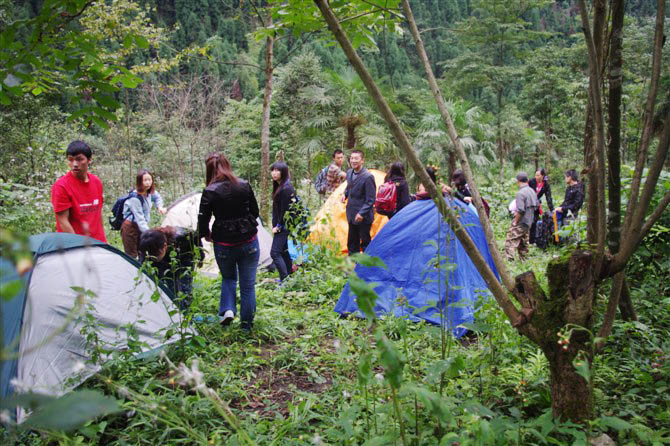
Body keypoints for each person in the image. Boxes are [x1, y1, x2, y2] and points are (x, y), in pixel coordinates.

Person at [198, 153, 260, 330]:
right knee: (248, 286)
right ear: (227, 165)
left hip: (223, 243)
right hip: (248, 241)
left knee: (228, 278)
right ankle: (246, 327)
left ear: (209, 170)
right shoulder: (243, 185)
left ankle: (228, 310)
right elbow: (254, 212)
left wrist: (206, 233)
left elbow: (203, 219)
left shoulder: (210, 191)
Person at [51, 140, 106, 242]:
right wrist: (79, 247)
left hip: (97, 244)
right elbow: (63, 222)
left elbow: (98, 214)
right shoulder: (61, 186)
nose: (75, 164)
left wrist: (103, 241)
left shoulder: (96, 182)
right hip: (74, 246)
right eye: (70, 160)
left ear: (89, 160)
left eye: (79, 159)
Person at [139, 226, 202, 311]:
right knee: (163, 284)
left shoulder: (182, 236)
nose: (154, 258)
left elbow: (196, 237)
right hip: (165, 260)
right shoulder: (147, 243)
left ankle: (185, 313)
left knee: (184, 287)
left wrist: (201, 256)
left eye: (156, 255)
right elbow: (141, 265)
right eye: (151, 256)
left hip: (184, 258)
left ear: (165, 246)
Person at [121, 169, 167, 258]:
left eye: (149, 180)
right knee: (132, 256)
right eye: (145, 180)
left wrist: (159, 207)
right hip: (131, 227)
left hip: (141, 228)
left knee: (142, 253)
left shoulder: (149, 192)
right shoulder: (134, 198)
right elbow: (140, 220)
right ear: (139, 181)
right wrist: (151, 234)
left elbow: (157, 197)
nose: (148, 183)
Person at [341, 149, 376, 255]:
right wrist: (344, 194)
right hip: (351, 213)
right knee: (352, 241)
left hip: (363, 216)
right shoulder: (349, 172)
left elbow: (371, 199)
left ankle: (367, 267)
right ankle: (352, 265)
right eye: (352, 158)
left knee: (365, 241)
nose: (353, 161)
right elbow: (349, 187)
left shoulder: (368, 177)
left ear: (362, 161)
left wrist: (361, 213)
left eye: (356, 158)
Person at [270, 161, 296, 282]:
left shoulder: (286, 188)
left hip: (283, 226)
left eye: (277, 171)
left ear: (283, 172)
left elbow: (285, 211)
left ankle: (284, 279)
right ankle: (289, 276)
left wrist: (278, 226)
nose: (274, 173)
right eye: (273, 170)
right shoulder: (280, 185)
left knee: (275, 253)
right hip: (282, 225)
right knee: (284, 251)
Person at [504, 172, 538, 261]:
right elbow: (537, 205)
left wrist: (515, 221)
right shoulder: (532, 191)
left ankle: (509, 259)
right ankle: (524, 259)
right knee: (523, 241)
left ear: (518, 181)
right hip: (529, 221)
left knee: (511, 238)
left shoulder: (520, 193)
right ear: (527, 180)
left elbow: (521, 210)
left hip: (521, 221)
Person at [528, 168, 554, 245]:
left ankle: (532, 241)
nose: (536, 176)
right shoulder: (531, 182)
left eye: (538, 175)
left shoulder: (546, 184)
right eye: (535, 175)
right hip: (528, 204)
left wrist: (552, 209)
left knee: (534, 222)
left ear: (542, 176)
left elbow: (548, 197)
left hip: (536, 205)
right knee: (527, 222)